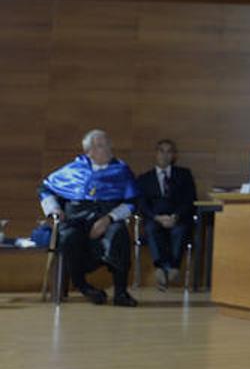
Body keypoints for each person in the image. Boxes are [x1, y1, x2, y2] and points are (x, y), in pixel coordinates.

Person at [38, 129, 139, 307]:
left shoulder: (121, 170)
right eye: (101, 146)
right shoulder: (73, 169)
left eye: (107, 143)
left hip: (107, 218)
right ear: (89, 151)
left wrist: (109, 218)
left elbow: (132, 202)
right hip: (76, 218)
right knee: (68, 238)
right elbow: (45, 189)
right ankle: (84, 287)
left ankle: (121, 292)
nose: (108, 148)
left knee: (119, 234)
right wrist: (54, 209)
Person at [135, 139, 198, 291]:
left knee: (180, 230)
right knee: (151, 229)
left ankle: (173, 267)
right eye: (161, 151)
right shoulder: (144, 179)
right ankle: (160, 268)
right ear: (156, 154)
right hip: (155, 218)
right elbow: (142, 204)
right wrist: (157, 217)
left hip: (178, 218)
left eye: (169, 151)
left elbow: (190, 200)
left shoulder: (184, 175)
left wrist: (175, 216)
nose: (165, 155)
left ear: (174, 155)